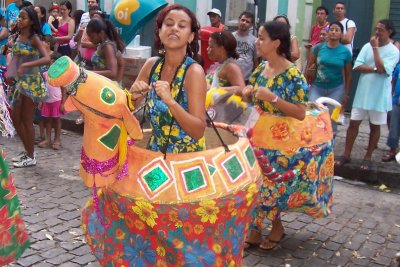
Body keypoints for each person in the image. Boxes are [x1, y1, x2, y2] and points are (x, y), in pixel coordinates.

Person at [243, 21, 333, 251]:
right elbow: (252, 97)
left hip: (283, 144)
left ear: (276, 43)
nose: (257, 41)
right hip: (258, 138)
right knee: (256, 185)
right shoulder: (261, 67)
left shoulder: (293, 74)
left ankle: (276, 228)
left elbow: (300, 112)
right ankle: (254, 228)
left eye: (262, 38)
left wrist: (273, 98)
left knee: (273, 187)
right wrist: (247, 94)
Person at [335, 19, 399, 170]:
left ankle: (368, 157)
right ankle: (346, 154)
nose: (377, 32)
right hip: (363, 93)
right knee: (353, 124)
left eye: (381, 30)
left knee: (375, 126)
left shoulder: (393, 51)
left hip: (379, 96)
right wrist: (375, 69)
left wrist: (376, 49)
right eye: (376, 29)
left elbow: (384, 69)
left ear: (389, 32)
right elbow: (357, 66)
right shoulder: (366, 46)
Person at [6, 6, 50, 168]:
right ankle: (27, 150)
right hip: (18, 82)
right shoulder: (17, 35)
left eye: (23, 17)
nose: (19, 19)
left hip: (31, 83)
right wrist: (11, 74)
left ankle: (31, 156)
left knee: (26, 120)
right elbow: (16, 58)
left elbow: (46, 59)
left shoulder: (34, 38)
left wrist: (27, 65)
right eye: (19, 17)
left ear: (31, 21)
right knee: (15, 120)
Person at [306, 22, 352, 135]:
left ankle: (329, 146)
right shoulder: (318, 48)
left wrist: (346, 93)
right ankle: (312, 144)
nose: (334, 32)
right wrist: (306, 85)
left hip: (336, 88)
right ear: (328, 32)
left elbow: (348, 74)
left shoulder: (345, 52)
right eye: (331, 29)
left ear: (341, 34)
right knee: (312, 114)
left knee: (332, 119)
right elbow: (309, 68)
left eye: (337, 30)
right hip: (317, 87)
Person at [206, 30, 252, 125]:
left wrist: (216, 91)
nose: (207, 49)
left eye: (211, 46)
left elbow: (241, 89)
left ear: (221, 49)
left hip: (223, 119)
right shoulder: (220, 65)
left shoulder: (231, 67)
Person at [38, 52, 65, 150]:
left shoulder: (60, 75)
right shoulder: (45, 74)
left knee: (57, 120)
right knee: (48, 120)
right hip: (47, 100)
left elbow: (63, 89)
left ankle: (57, 139)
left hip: (57, 100)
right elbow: (44, 87)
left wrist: (63, 102)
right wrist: (41, 100)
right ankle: (48, 139)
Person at [86, 17, 125, 82]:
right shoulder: (103, 45)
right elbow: (121, 63)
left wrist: (89, 73)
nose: (89, 39)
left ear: (101, 33)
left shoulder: (107, 46)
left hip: (106, 85)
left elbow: (113, 72)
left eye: (92, 36)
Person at [382, 63, 400, 162]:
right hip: (396, 100)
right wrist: (391, 94)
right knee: (394, 127)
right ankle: (392, 150)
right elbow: (394, 80)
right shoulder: (399, 67)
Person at [233, 11, 258, 81]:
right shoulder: (230, 37)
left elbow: (256, 61)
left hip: (247, 79)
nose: (244, 23)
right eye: (243, 20)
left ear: (251, 25)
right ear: (239, 20)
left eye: (247, 22)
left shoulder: (255, 41)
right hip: (231, 76)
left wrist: (254, 78)